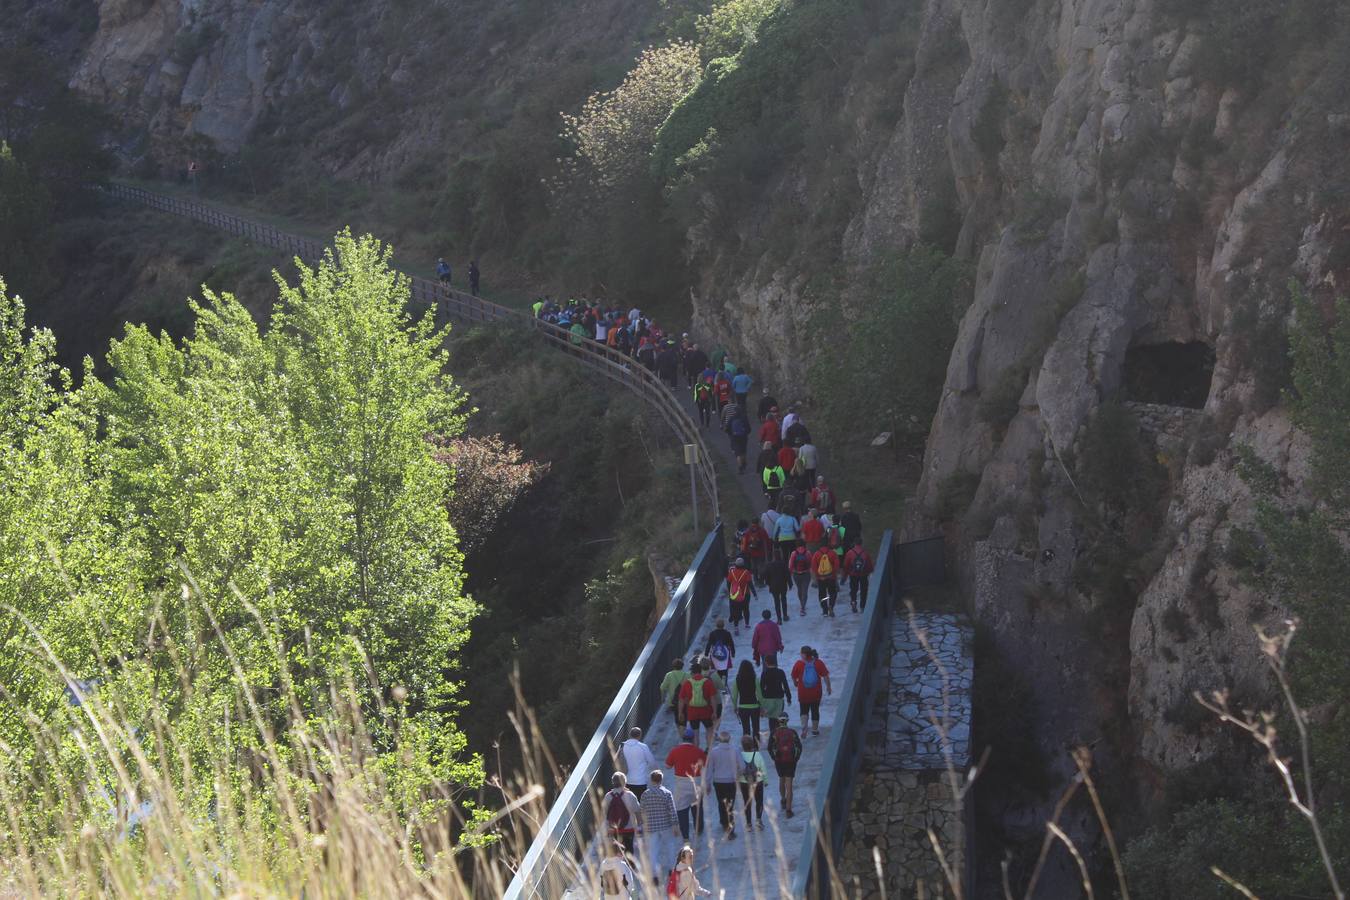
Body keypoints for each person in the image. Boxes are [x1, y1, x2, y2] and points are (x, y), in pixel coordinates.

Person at [638, 770, 681, 887]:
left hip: (651, 827)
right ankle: (672, 872)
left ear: (651, 780)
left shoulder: (645, 794)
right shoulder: (667, 793)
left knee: (653, 852)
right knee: (670, 848)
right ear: (661, 780)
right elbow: (672, 811)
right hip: (665, 825)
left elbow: (642, 811)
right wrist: (675, 825)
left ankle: (654, 877)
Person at [665, 726, 707, 839]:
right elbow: (704, 765)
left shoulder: (675, 751)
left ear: (682, 738)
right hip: (696, 783)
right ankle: (699, 830)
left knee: (682, 810)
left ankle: (685, 836)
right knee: (697, 808)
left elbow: (667, 766)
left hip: (681, 783)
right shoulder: (699, 751)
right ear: (693, 739)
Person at [705, 731, 740, 838]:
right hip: (731, 781)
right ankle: (729, 827)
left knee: (721, 803)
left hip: (718, 782)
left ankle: (724, 822)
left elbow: (710, 769)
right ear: (729, 739)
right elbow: (742, 767)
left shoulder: (714, 752)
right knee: (730, 804)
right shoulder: (735, 750)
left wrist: (708, 784)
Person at [791, 647, 832, 737]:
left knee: (804, 710)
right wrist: (828, 687)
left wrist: (795, 683)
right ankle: (815, 729)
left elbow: (793, 675)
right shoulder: (818, 663)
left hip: (803, 692)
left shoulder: (799, 664)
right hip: (816, 692)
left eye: (801, 653)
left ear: (804, 654)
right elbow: (825, 676)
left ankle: (804, 729)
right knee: (815, 710)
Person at [768, 715, 802, 818]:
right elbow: (799, 747)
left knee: (781, 779)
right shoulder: (792, 732)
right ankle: (788, 810)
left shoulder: (774, 733)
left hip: (779, 760)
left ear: (778, 721)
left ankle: (783, 799)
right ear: (787, 721)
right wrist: (795, 759)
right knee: (789, 784)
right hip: (791, 761)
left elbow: (769, 748)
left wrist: (775, 758)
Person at [602, 772, 642, 853]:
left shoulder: (608, 796)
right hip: (629, 829)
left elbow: (603, 814)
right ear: (624, 782)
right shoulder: (630, 795)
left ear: (613, 782)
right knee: (629, 851)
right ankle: (629, 865)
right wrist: (639, 826)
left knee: (615, 852)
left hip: (613, 830)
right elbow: (638, 811)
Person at [678, 662, 718, 743]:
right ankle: (708, 750)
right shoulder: (707, 682)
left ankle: (697, 751)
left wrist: (680, 712)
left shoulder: (687, 683)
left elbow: (681, 699)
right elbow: (713, 699)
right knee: (709, 730)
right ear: (701, 671)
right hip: (706, 711)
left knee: (695, 734)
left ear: (692, 672)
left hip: (692, 712)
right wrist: (714, 712)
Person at [736, 734, 768, 831]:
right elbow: (763, 769)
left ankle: (749, 824)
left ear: (742, 745)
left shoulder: (740, 755)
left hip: (744, 782)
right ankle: (758, 820)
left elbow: (737, 768)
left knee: (747, 802)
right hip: (757, 782)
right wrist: (765, 780)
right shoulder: (757, 755)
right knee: (759, 801)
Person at [620, 727, 660, 799]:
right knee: (640, 804)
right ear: (640, 735)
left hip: (626, 780)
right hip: (640, 781)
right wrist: (657, 772)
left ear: (630, 735)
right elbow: (652, 763)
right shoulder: (643, 747)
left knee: (629, 805)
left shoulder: (623, 746)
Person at [730, 659, 763, 740]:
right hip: (755, 706)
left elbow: (734, 695)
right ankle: (756, 747)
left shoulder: (737, 679)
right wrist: (762, 706)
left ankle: (747, 748)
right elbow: (759, 694)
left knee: (746, 730)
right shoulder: (755, 678)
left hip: (743, 707)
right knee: (756, 729)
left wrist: (734, 707)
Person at [844, 537, 875, 612]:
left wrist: (846, 574)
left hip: (853, 574)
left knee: (853, 590)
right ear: (861, 543)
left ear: (854, 543)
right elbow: (869, 565)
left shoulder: (850, 552)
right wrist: (870, 572)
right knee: (864, 590)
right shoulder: (865, 552)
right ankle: (862, 606)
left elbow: (846, 565)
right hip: (863, 574)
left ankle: (853, 602)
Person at [811, 540, 842, 616]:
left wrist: (818, 576)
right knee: (832, 593)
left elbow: (814, 566)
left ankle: (825, 610)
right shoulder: (833, 553)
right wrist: (833, 574)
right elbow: (837, 565)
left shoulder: (816, 554)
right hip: (831, 577)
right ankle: (831, 606)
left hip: (821, 578)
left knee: (822, 594)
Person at [759, 656, 792, 726]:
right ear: (775, 662)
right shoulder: (780, 672)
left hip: (769, 699)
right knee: (779, 717)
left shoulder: (764, 673)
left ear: (766, 662)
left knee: (771, 719)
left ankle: (773, 734)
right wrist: (789, 698)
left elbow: (761, 688)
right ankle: (780, 733)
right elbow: (785, 685)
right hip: (779, 698)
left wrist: (761, 701)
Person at [726, 558, 756, 632]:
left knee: (736, 610)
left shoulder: (731, 572)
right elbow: (750, 583)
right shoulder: (746, 572)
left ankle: (736, 626)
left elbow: (728, 583)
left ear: (735, 564)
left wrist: (731, 592)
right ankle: (747, 624)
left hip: (735, 594)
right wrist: (754, 594)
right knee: (746, 609)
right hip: (745, 594)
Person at [704, 621, 735, 691]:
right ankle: (724, 685)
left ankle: (717, 683)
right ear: (723, 625)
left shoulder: (712, 633)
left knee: (716, 669)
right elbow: (731, 643)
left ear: (716, 625)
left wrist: (706, 652)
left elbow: (709, 643)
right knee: (724, 670)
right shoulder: (727, 633)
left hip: (715, 654)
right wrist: (733, 652)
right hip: (725, 654)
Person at [739, 519, 770, 585]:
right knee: (761, 566)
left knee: (754, 567)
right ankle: (761, 581)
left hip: (751, 552)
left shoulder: (748, 532)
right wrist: (768, 550)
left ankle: (756, 581)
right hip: (761, 552)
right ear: (758, 523)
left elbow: (745, 543)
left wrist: (745, 551)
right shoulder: (762, 530)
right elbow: (767, 540)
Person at [763, 550, 790, 623]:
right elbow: (787, 575)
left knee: (776, 602)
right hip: (783, 585)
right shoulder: (783, 564)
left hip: (774, 586)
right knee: (784, 600)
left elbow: (766, 576)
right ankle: (785, 615)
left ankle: (779, 619)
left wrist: (769, 584)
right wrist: (790, 584)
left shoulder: (769, 565)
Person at [788, 540, 813, 616]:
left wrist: (790, 574)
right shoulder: (808, 553)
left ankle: (801, 603)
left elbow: (790, 565)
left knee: (799, 589)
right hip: (806, 574)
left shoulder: (794, 553)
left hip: (796, 574)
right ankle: (803, 606)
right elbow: (810, 563)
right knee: (805, 590)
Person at [661, 658, 686, 724]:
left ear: (673, 666)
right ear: (682, 666)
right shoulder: (687, 675)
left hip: (672, 702)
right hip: (684, 702)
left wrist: (663, 698)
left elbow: (662, 688)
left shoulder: (669, 675)